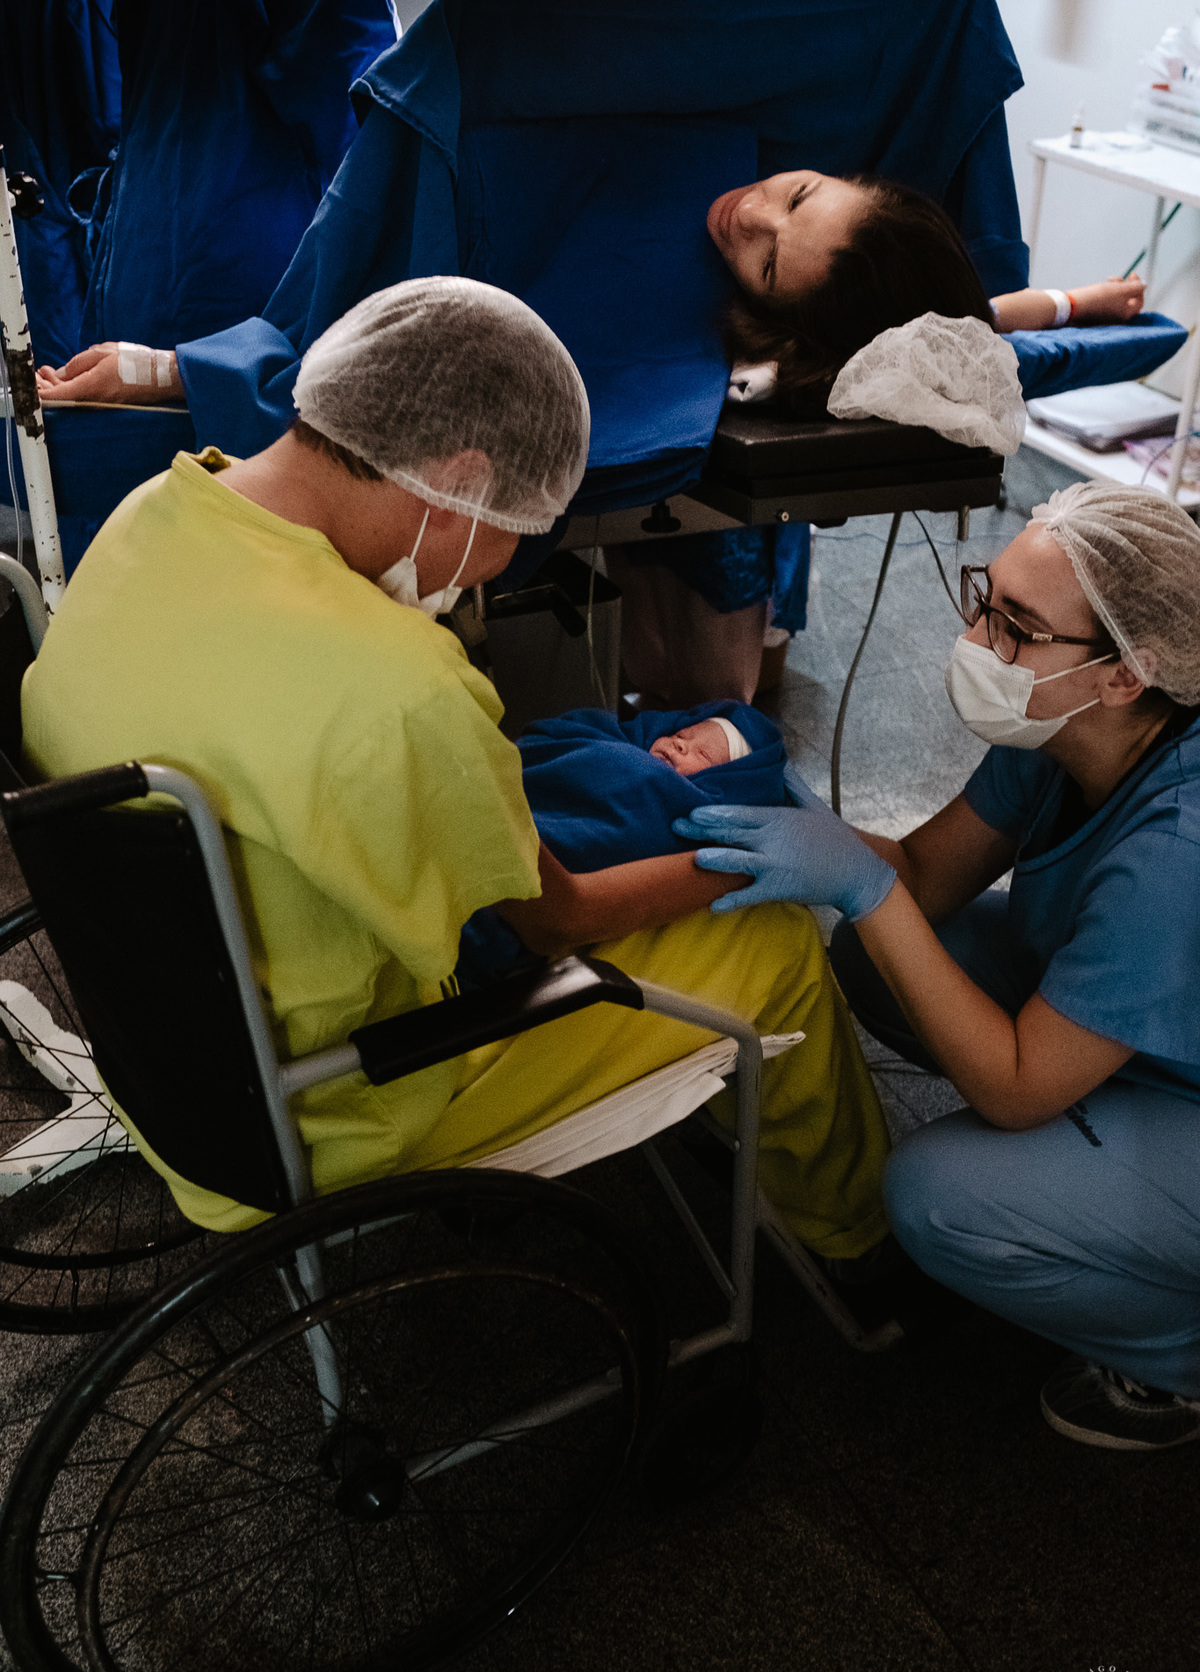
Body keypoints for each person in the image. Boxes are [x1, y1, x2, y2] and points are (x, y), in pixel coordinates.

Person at [21, 275, 889, 1263]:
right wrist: (769, 861)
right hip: (333, 1111)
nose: (490, 575)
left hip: (171, 1056)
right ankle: (857, 1245)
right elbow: (562, 919)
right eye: (509, 541)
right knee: (772, 944)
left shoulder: (154, 513)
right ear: (466, 480)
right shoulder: (396, 683)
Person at [674, 479, 1200, 1450]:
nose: (979, 643)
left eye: (1018, 626)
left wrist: (859, 888)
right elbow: (925, 874)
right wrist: (788, 801)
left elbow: (1014, 1091)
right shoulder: (1066, 726)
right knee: (891, 954)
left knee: (938, 1197)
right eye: (984, 599)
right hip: (1153, 1015)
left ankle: (1179, 1353)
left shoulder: (1179, 850)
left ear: (1127, 673)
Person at [707, 169, 1147, 413]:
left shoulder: (774, 362)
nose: (748, 212)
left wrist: (1080, 304)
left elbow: (972, 327)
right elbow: (990, 317)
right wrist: (1078, 302)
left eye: (768, 265)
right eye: (798, 195)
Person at [457, 700, 784, 984]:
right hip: (489, 902)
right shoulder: (613, 747)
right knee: (792, 937)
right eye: (680, 735)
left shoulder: (679, 811)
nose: (680, 745)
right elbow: (561, 918)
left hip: (489, 865)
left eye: (703, 754)